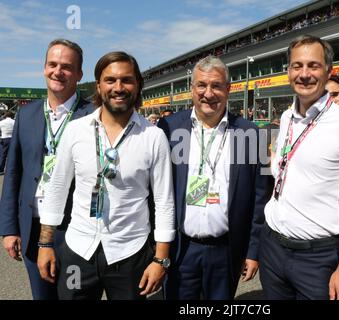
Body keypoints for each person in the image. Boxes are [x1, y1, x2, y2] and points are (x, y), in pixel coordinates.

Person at [36, 51, 175, 300]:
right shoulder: (76, 131)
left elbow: (164, 202)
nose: (118, 87)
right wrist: (45, 244)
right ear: (98, 86)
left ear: (138, 85)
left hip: (130, 254)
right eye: (110, 80)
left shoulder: (153, 137)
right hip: (78, 251)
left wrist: (160, 259)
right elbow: (57, 189)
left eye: (127, 80)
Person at [259, 35, 339, 300]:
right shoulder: (285, 117)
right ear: (288, 72)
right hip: (272, 247)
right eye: (297, 66)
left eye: (313, 66)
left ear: (328, 71)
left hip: (318, 258)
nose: (304, 74)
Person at [158, 55, 270, 299]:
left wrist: (253, 252)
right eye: (201, 85)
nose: (208, 93)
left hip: (226, 250)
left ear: (228, 89)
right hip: (181, 248)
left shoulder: (250, 134)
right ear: (192, 89)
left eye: (216, 85)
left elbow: (260, 199)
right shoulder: (168, 129)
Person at [0, 39, 93, 300]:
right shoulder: (26, 115)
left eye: (66, 66)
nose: (58, 71)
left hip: (75, 230)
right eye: (52, 64)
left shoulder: (93, 115)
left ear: (79, 74)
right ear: (44, 68)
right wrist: (9, 228)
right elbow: (14, 173)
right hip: (32, 227)